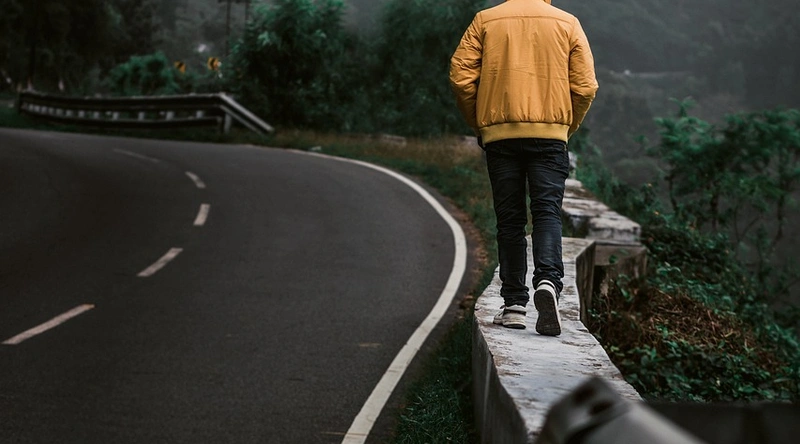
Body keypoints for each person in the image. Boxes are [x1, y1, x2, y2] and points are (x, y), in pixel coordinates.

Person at [450, 0, 598, 335]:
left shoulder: (485, 20)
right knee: (546, 212)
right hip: (550, 137)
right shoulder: (567, 23)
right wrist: (565, 127)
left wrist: (481, 123)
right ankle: (548, 281)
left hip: (500, 137)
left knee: (510, 220)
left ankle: (514, 304)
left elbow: (461, 78)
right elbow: (586, 86)